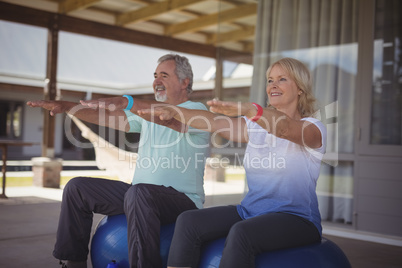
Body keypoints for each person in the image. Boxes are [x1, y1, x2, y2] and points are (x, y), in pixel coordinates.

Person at [138, 57, 327, 268]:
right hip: (251, 211)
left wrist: (250, 110)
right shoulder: (254, 126)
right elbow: (213, 121)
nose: (272, 85)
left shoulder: (313, 128)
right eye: (270, 80)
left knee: (242, 233)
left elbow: (283, 128)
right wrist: (175, 112)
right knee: (188, 221)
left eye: (282, 79)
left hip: (297, 219)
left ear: (300, 88)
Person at [27, 54, 210, 268]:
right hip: (140, 196)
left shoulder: (198, 111)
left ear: (184, 82)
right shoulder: (148, 115)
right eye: (155, 76)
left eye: (164, 75)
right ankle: (73, 263)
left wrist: (128, 102)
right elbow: (108, 118)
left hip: (182, 201)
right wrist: (68, 107)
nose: (156, 81)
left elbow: (169, 117)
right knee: (77, 188)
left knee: (140, 192)